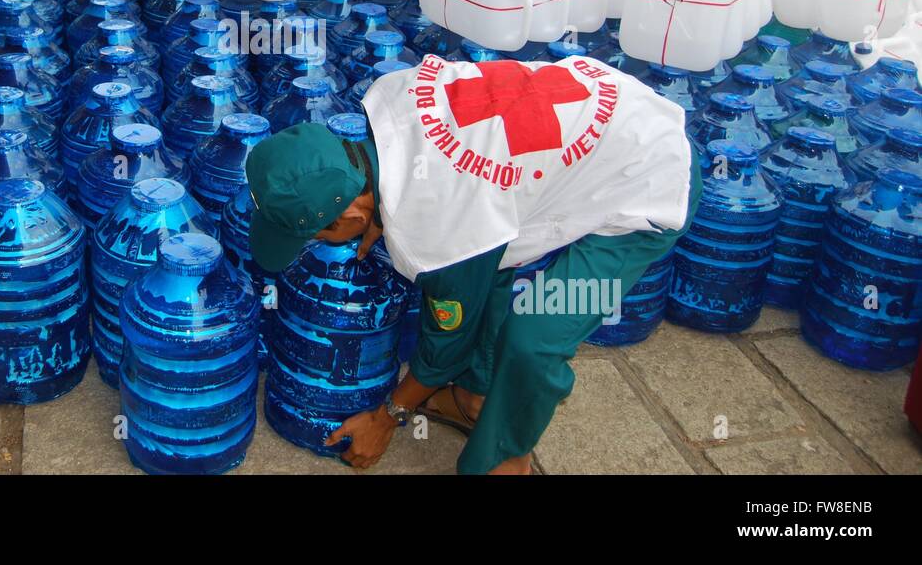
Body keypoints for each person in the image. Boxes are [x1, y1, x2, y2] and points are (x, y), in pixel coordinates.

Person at [246, 55, 701, 474]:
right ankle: (474, 398)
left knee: (537, 334)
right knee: (485, 261)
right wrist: (379, 210)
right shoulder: (389, 103)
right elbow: (446, 193)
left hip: (651, 178)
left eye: (317, 232)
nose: (315, 244)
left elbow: (448, 341)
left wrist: (389, 417)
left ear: (351, 216)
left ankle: (506, 456)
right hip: (616, 108)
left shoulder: (439, 225)